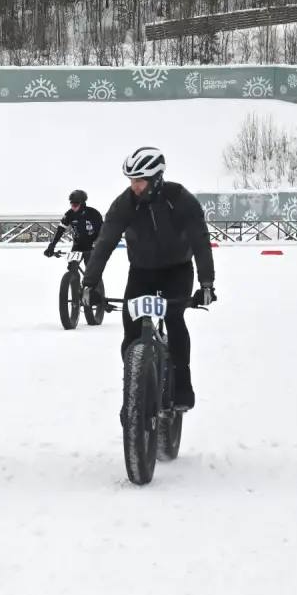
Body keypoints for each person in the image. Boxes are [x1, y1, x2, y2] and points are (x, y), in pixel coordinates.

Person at [82, 147, 216, 412]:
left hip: (177, 269)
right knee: (130, 328)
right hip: (142, 270)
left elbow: (200, 241)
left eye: (139, 181)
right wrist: (89, 283)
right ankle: (133, 395)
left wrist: (206, 284)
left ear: (156, 179)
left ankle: (181, 384)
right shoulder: (124, 203)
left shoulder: (180, 199)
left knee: (174, 318)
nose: (134, 186)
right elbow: (104, 243)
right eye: (131, 180)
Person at [44, 189, 104, 264]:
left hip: (92, 246)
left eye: (75, 205)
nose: (73, 207)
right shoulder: (69, 214)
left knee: (91, 270)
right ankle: (72, 275)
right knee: (72, 267)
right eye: (71, 204)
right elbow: (60, 230)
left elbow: (103, 230)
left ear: (82, 204)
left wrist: (99, 244)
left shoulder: (93, 213)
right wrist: (52, 246)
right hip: (77, 246)